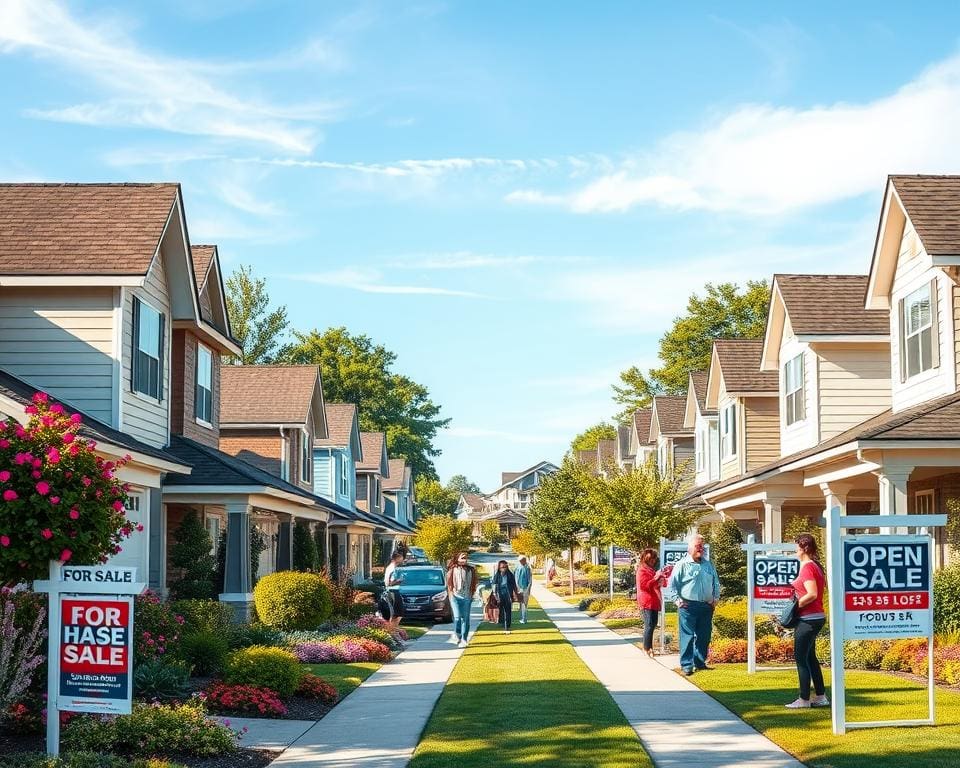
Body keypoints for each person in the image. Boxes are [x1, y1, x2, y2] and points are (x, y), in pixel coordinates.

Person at [667, 533, 720, 676]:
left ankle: (700, 662)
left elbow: (715, 582)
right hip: (688, 607)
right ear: (690, 548)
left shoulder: (708, 565)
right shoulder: (682, 565)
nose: (701, 549)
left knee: (704, 636)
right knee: (688, 637)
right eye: (698, 546)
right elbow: (672, 585)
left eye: (702, 546)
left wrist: (715, 599)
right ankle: (687, 665)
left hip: (706, 606)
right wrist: (678, 601)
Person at [786, 533, 829, 709]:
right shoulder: (815, 566)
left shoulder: (808, 567)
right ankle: (820, 696)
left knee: (801, 658)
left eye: (797, 546)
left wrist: (796, 606)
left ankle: (803, 699)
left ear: (804, 548)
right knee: (810, 658)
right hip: (815, 617)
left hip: (808, 619)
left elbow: (812, 593)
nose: (795, 549)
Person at [636, 548, 666, 657]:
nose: (653, 561)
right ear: (645, 559)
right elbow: (644, 586)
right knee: (648, 625)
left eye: (654, 559)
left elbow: (657, 584)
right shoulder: (642, 570)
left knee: (653, 625)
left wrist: (661, 579)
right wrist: (656, 578)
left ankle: (650, 648)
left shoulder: (651, 570)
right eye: (650, 559)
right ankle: (646, 648)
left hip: (654, 601)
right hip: (646, 601)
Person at [445, 551, 478, 647]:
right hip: (455, 596)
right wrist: (451, 595)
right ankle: (457, 635)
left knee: (465, 619)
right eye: (462, 557)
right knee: (457, 617)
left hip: (467, 596)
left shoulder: (471, 570)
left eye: (465, 558)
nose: (464, 559)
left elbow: (474, 582)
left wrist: (472, 594)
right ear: (457, 559)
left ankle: (464, 639)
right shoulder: (452, 570)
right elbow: (449, 584)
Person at [490, 559, 520, 634]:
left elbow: (514, 585)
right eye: (501, 567)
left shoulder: (510, 575)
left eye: (504, 567)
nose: (503, 569)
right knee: (501, 609)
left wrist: (516, 594)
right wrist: (495, 594)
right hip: (500, 594)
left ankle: (507, 624)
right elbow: (494, 585)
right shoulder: (497, 575)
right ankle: (502, 621)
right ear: (499, 568)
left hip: (508, 593)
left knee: (508, 609)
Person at [379, 551, 405, 631]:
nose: (402, 560)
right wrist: (399, 580)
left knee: (397, 613)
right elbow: (389, 583)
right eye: (400, 558)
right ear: (396, 559)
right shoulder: (393, 569)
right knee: (397, 614)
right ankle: (392, 630)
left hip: (393, 591)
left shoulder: (391, 567)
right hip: (393, 592)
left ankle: (393, 630)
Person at [516, 556, 533, 623]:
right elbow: (516, 579)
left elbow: (529, 580)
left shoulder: (526, 568)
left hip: (524, 588)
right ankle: (522, 618)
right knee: (522, 604)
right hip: (521, 588)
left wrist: (527, 589)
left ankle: (523, 619)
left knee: (523, 604)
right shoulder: (520, 568)